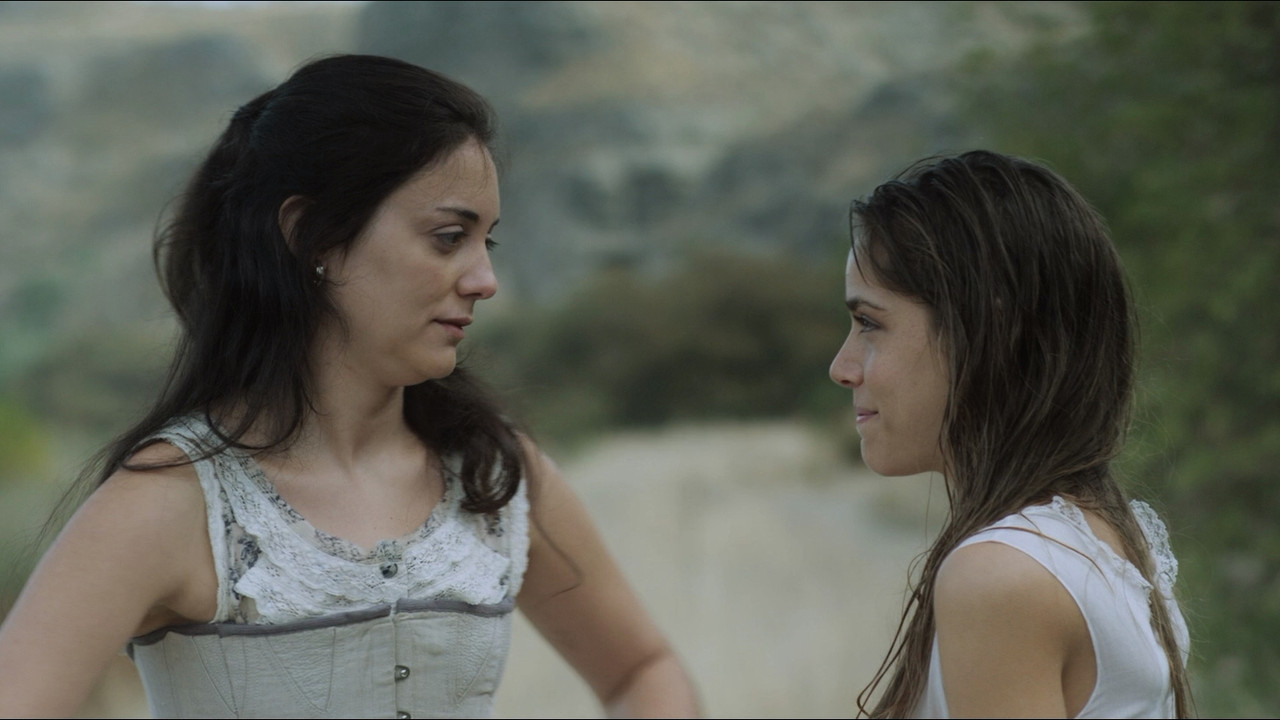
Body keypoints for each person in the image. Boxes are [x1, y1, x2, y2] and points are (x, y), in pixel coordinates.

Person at [0, 54, 699, 718]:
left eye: (486, 242)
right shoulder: (171, 503)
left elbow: (642, 669)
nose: (485, 280)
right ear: (312, 237)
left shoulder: (493, 473)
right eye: (448, 237)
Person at [829, 151, 1191, 718]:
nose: (842, 367)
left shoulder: (1002, 574)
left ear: (988, 330)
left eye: (870, 323)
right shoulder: (1098, 535)